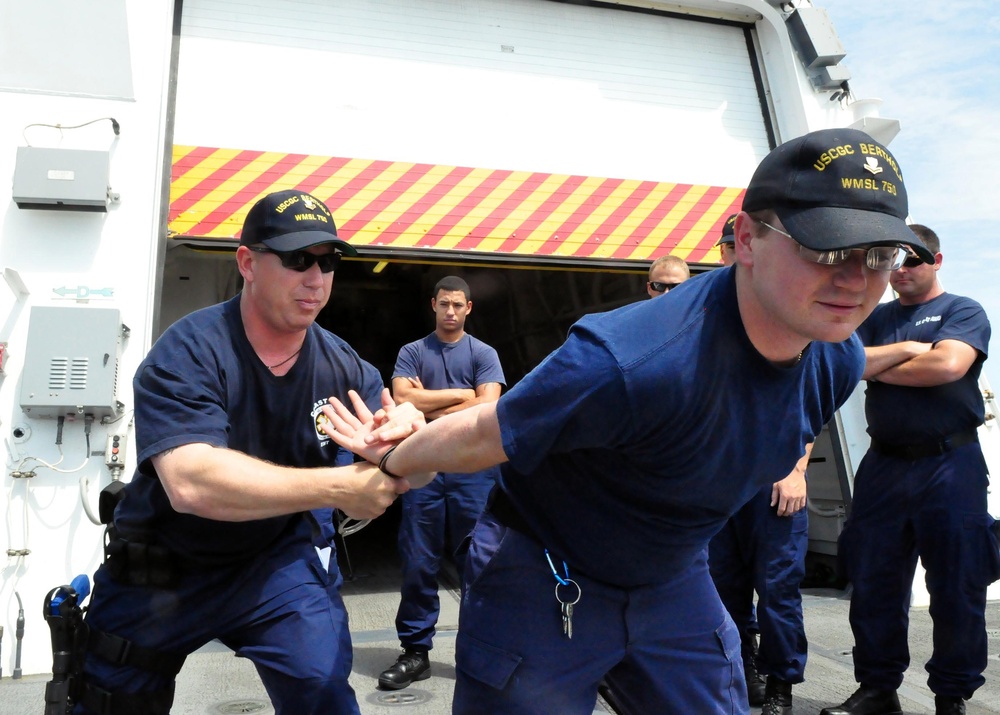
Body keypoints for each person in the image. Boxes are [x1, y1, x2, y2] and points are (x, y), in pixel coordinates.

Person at [324, 128, 934, 715]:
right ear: (746, 239)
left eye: (879, 254)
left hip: (673, 575)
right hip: (546, 572)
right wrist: (391, 459)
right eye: (824, 248)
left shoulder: (836, 358)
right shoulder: (630, 359)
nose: (856, 280)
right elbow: (490, 430)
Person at [72, 190, 421, 715]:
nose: (316, 278)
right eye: (298, 259)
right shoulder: (189, 351)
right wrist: (341, 486)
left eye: (328, 262)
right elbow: (192, 483)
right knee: (109, 702)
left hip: (275, 566)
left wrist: (406, 440)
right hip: (164, 569)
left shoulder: (343, 367)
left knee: (323, 692)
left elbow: (400, 466)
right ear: (247, 263)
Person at [820, 225, 1000, 715]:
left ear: (936, 260)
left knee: (957, 584)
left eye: (913, 260)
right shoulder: (874, 319)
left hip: (951, 464)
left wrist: (875, 364)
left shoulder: (963, 311)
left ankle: (950, 696)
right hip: (885, 465)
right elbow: (842, 364)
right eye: (891, 260)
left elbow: (946, 367)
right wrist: (904, 351)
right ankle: (878, 690)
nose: (900, 270)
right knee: (874, 580)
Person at [378, 276, 506, 690]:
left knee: (479, 562)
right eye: (444, 304)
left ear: (469, 308)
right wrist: (461, 395)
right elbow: (401, 400)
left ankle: (479, 650)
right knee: (418, 559)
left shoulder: (484, 353)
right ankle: (416, 652)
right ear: (433, 305)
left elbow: (489, 406)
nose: (450, 311)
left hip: (472, 469)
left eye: (458, 305)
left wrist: (427, 402)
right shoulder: (412, 352)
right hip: (424, 466)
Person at [708, 439, 811, 714]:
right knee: (721, 588)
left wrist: (797, 469)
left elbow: (815, 408)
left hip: (774, 476)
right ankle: (745, 667)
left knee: (778, 589)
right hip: (718, 478)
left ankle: (780, 686)